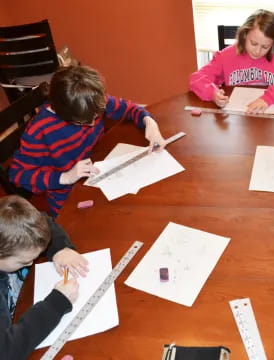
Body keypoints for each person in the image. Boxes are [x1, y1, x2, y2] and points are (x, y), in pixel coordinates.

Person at [9, 65, 167, 217]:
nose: (92, 123)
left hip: (100, 174)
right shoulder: (39, 132)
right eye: (82, 123)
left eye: (96, 116)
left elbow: (129, 108)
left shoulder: (89, 101)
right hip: (68, 198)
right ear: (61, 113)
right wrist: (65, 177)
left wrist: (149, 123)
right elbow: (18, 174)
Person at [0, 195, 89, 360]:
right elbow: (6, 351)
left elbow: (43, 222)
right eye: (24, 261)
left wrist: (60, 248)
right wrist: (57, 303)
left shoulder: (8, 227)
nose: (31, 263)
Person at [189, 9, 274, 114]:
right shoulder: (226, 56)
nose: (257, 51)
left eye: (265, 47)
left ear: (273, 45)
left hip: (269, 117)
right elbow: (196, 79)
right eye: (254, 43)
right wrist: (213, 93)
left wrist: (269, 98)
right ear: (245, 34)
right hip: (235, 120)